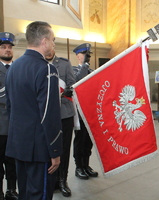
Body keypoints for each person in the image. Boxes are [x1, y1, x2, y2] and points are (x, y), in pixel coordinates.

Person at [5, 21, 62, 200]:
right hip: (40, 149)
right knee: (40, 195)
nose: (53, 44)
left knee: (25, 194)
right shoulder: (46, 69)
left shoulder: (13, 67)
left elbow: (10, 106)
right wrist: (55, 151)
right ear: (44, 41)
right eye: (52, 40)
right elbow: (49, 114)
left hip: (18, 145)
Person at [45, 48, 76, 197]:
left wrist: (68, 90)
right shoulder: (39, 64)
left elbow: (73, 84)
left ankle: (63, 181)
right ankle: (51, 181)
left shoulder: (64, 64)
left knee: (64, 148)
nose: (50, 51)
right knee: (48, 150)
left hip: (64, 113)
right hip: (46, 115)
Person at [72, 43, 98, 180]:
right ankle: (78, 167)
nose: (87, 58)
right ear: (78, 56)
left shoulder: (93, 71)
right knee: (80, 140)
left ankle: (86, 165)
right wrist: (84, 65)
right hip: (79, 113)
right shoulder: (73, 70)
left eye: (89, 55)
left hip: (91, 112)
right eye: (84, 55)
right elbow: (78, 81)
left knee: (88, 141)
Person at [0, 32, 18, 200]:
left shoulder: (19, 67)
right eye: (3, 47)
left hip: (16, 126)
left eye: (9, 47)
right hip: (0, 125)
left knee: (13, 162)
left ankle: (11, 190)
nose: (7, 50)